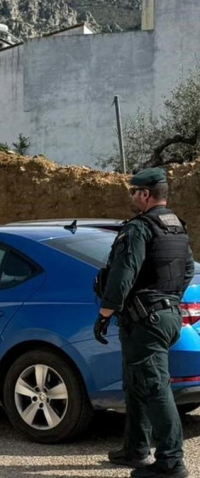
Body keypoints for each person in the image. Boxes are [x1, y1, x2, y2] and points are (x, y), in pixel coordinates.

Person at [94, 167, 194, 478]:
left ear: (146, 194)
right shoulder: (176, 227)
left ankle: (171, 462)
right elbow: (188, 270)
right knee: (137, 383)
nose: (131, 196)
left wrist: (105, 313)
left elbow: (123, 275)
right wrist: (170, 300)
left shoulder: (138, 229)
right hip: (167, 315)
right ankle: (135, 449)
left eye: (133, 191)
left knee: (153, 387)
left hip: (145, 319)